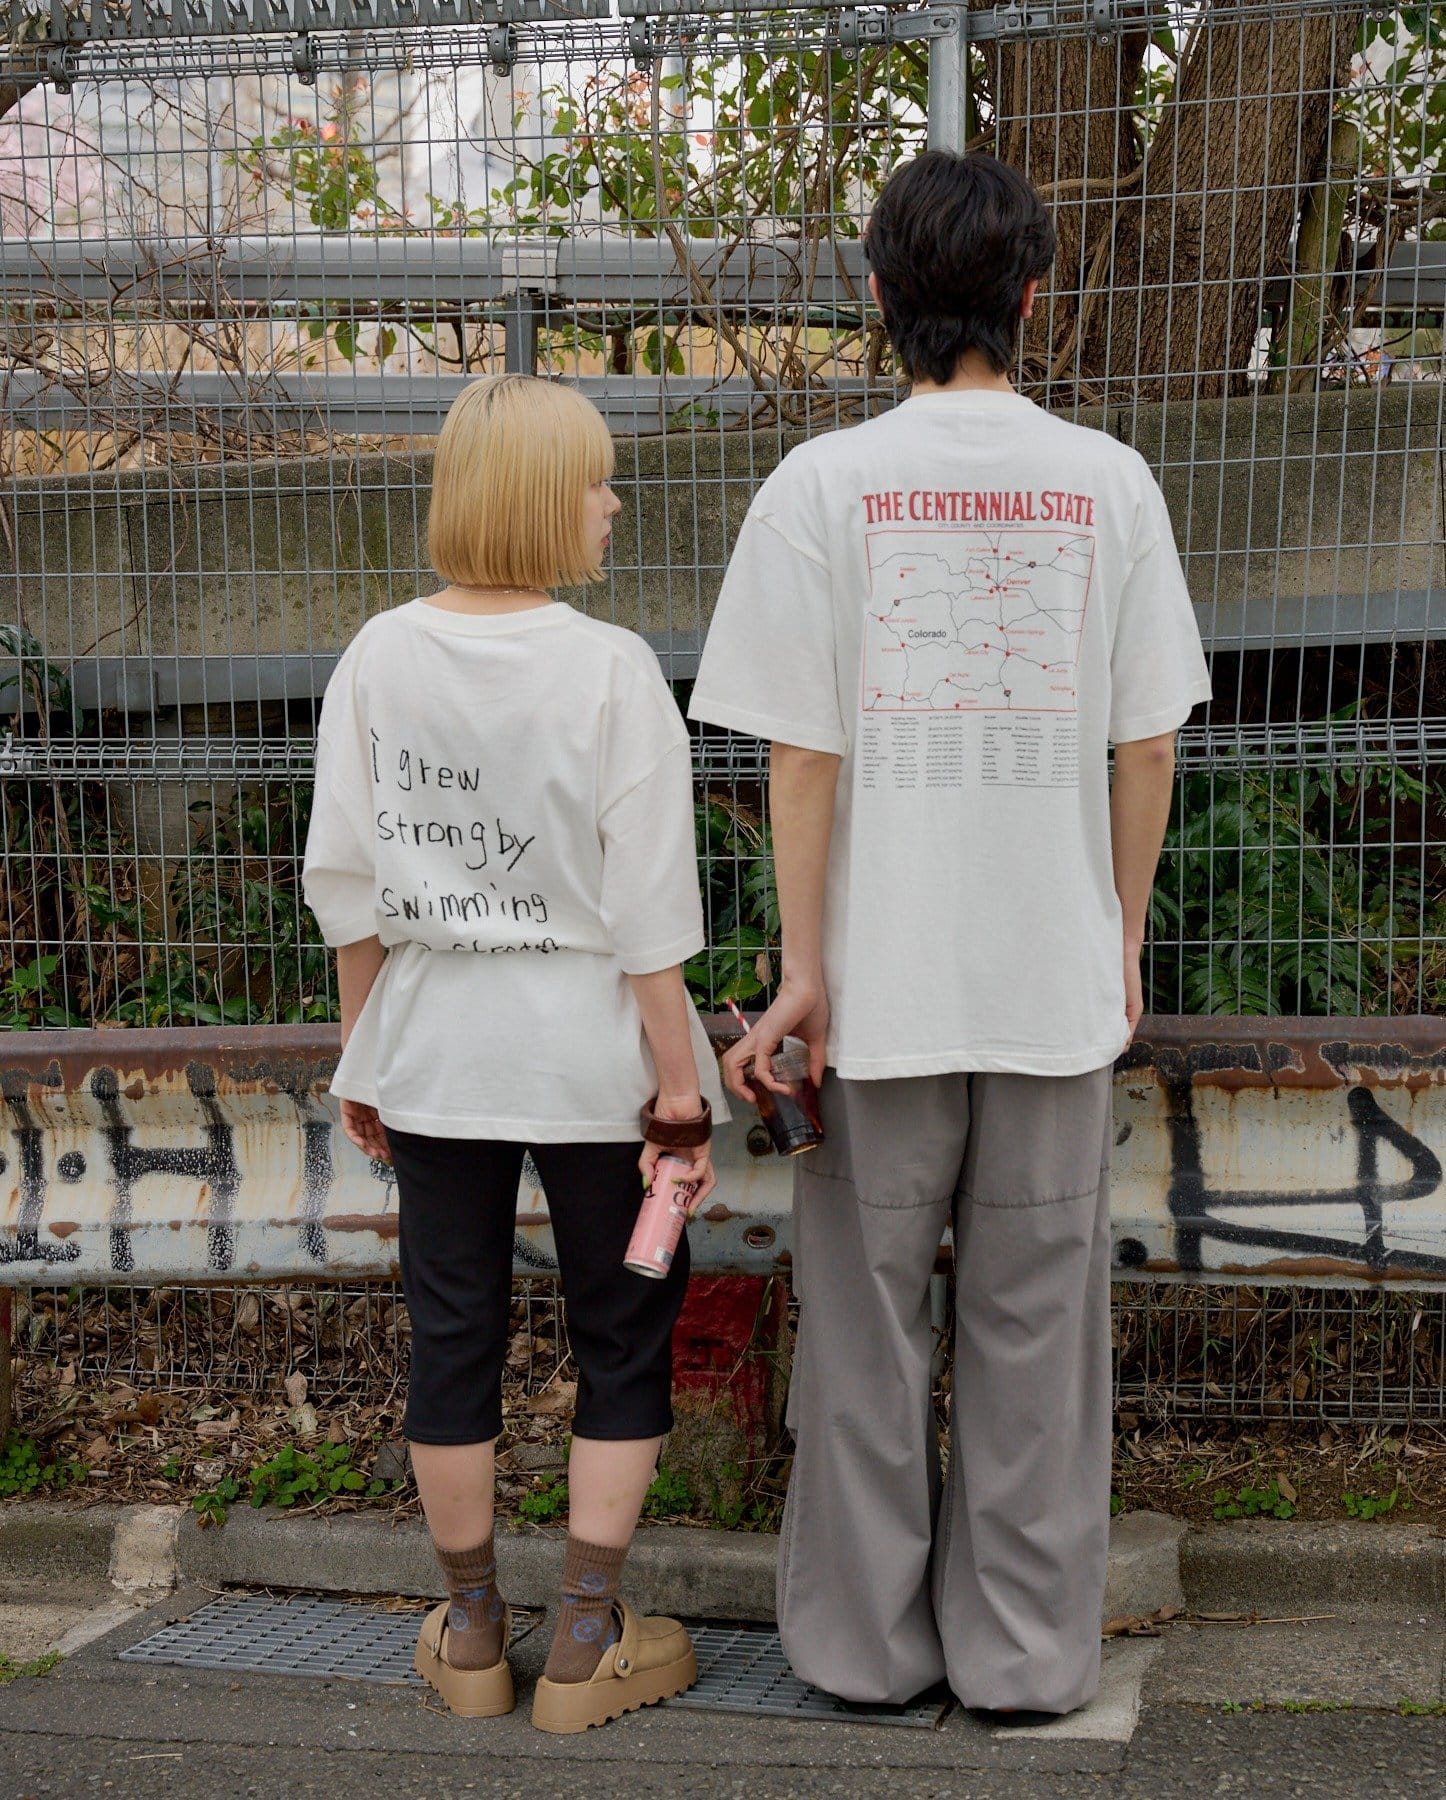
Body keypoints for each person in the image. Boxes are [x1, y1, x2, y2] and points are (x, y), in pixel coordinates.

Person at [688, 152, 1211, 1715]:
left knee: (864, 1331)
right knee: (1037, 1334)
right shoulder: (1109, 482)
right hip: (1052, 982)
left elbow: (798, 756)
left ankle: (864, 1652)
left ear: (877, 297)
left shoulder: (819, 487)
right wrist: (1120, 932)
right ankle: (1025, 1656)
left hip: (878, 994)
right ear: (1034, 295)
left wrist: (802, 970)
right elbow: (1146, 743)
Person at [302, 373, 727, 1732]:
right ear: (546, 501)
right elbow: (648, 914)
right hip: (594, 1054)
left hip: (437, 1045)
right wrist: (679, 1092)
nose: (615, 503)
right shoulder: (609, 670)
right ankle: (589, 1634)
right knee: (622, 1326)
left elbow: (347, 885)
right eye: (597, 481)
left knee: (452, 1330)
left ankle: (474, 1628)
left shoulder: (378, 657)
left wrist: (365, 1054)